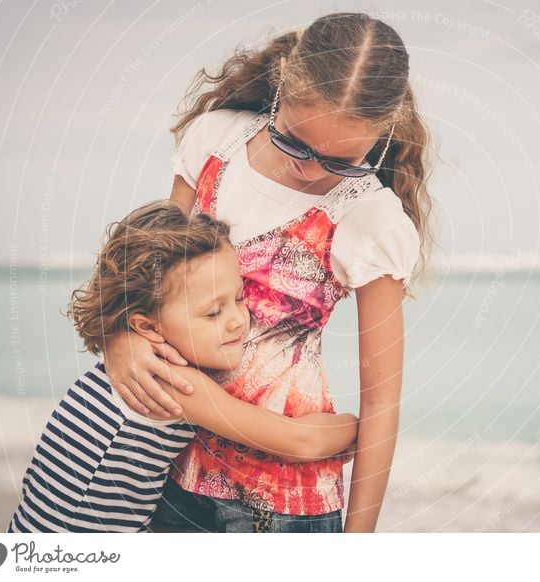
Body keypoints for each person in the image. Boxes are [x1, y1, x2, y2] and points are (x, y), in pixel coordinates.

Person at [104, 12, 434, 533]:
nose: (312, 170)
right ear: (283, 84)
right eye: (295, 143)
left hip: (283, 503)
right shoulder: (216, 145)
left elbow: (380, 400)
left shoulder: (370, 218)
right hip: (167, 468)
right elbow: (148, 277)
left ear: (384, 131)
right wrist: (118, 337)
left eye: (343, 161)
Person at [7, 201, 358, 533]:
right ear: (146, 326)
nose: (238, 321)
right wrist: (357, 427)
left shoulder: (127, 356)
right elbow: (300, 442)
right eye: (212, 313)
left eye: (238, 298)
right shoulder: (169, 380)